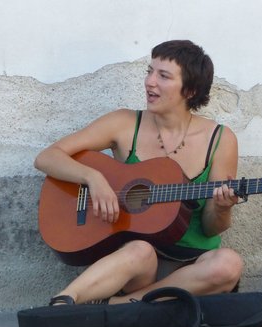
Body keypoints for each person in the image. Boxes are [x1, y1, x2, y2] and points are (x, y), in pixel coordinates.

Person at [34, 40, 243, 305]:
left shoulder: (220, 139)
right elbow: (47, 157)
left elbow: (212, 228)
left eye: (163, 76)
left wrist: (223, 208)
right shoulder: (124, 124)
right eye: (150, 71)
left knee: (229, 264)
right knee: (141, 250)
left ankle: (122, 305)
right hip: (138, 263)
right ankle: (63, 303)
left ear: (189, 90)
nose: (149, 82)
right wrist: (93, 178)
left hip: (190, 270)